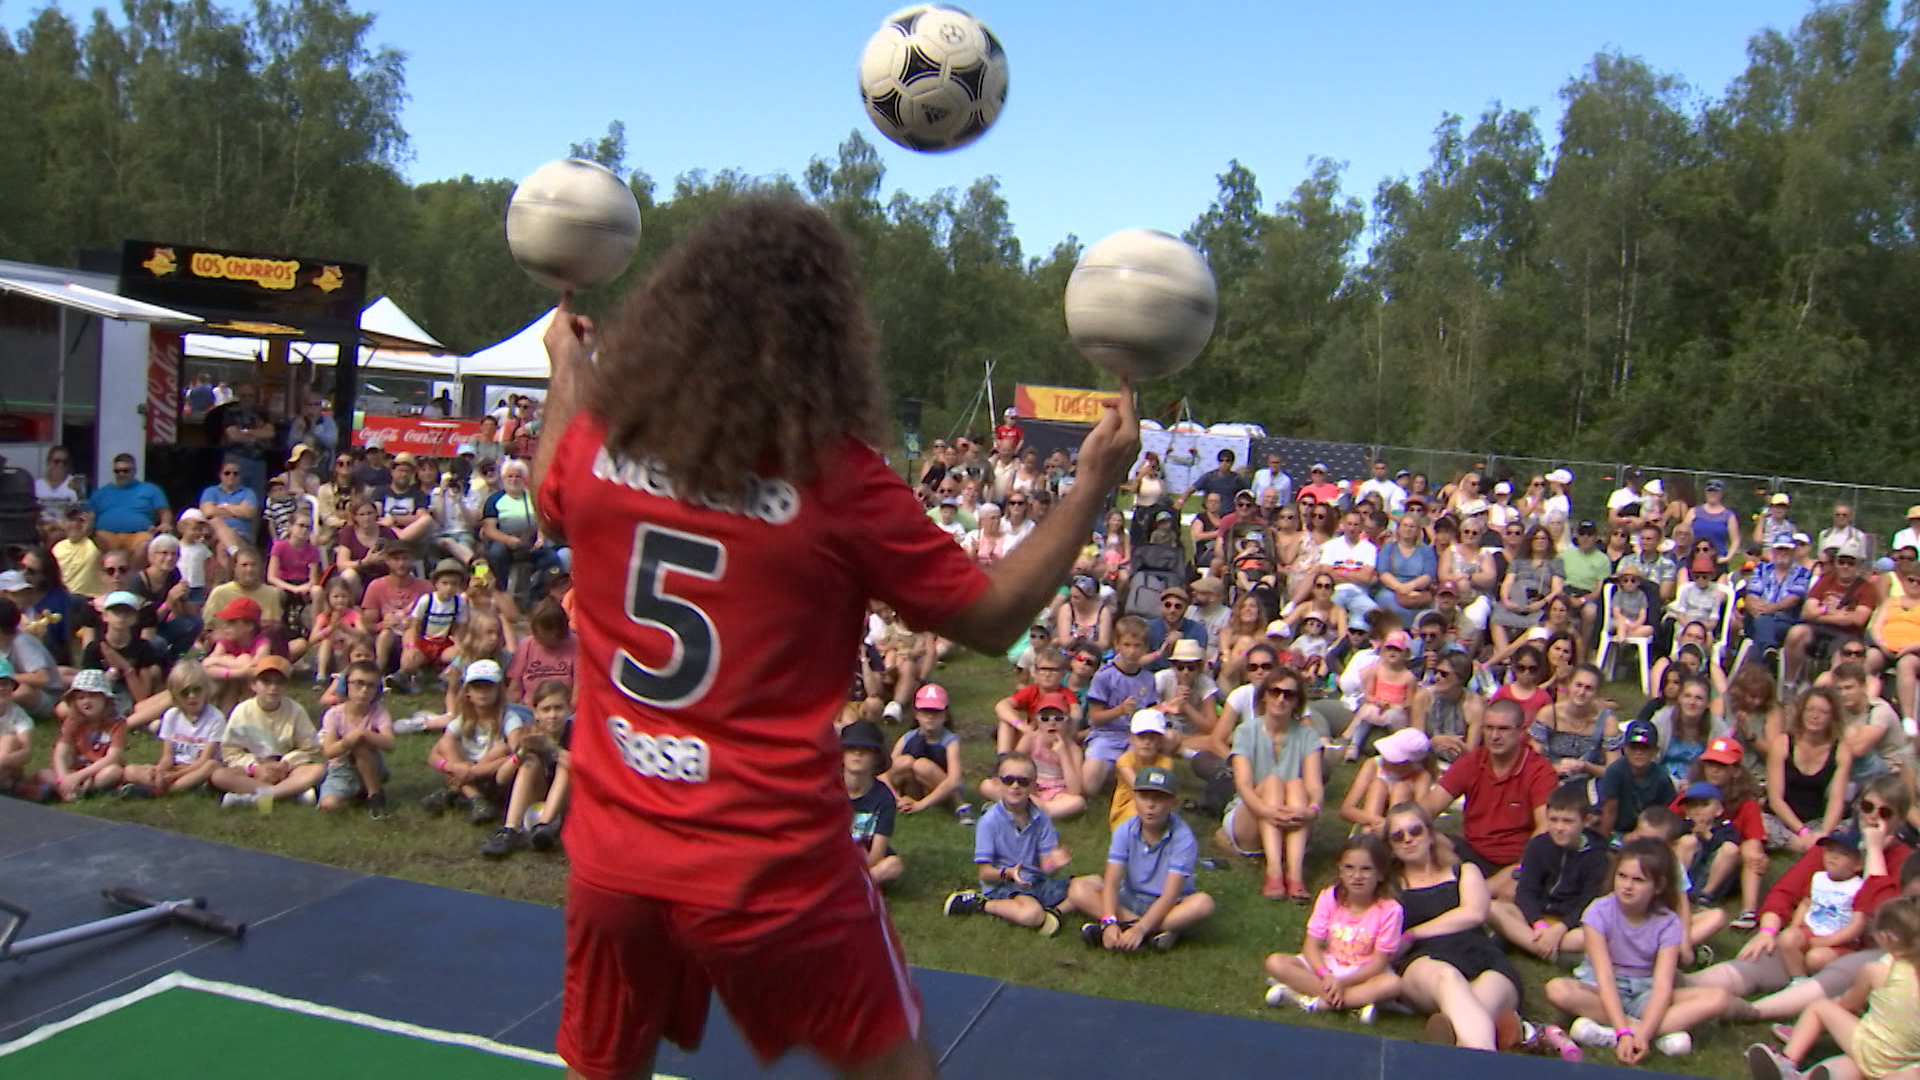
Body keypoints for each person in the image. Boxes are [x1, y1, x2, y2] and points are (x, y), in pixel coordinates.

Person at [532, 199, 1140, 1080]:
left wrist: (568, 369)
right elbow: (993, 616)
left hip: (613, 855)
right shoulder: (836, 481)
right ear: (824, 336)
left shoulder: (597, 442)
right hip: (770, 869)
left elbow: (553, 485)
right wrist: (1090, 484)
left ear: (674, 315)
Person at [1546, 838, 1731, 1062]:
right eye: (1622, 876)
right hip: (1600, 989)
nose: (1627, 886)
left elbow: (1663, 984)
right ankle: (1643, 1033)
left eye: (1638, 880)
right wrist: (1626, 1032)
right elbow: (1604, 976)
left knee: (1718, 998)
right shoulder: (1598, 912)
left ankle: (1614, 1033)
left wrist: (1642, 1035)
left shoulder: (1668, 922)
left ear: (1659, 886)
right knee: (1557, 989)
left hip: (1646, 992)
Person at [1383, 800, 1525, 1051]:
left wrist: (1414, 932)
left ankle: (1455, 1041)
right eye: (1398, 836)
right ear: (1391, 848)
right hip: (1425, 964)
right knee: (1448, 979)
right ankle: (1487, 1051)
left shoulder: (1464, 871)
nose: (1408, 839)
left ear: (1430, 834)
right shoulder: (1390, 888)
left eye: (1415, 831)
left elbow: (1474, 913)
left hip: (1482, 959)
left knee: (1474, 1011)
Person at [1752, 896, 1920, 1080]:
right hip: (1907, 1062)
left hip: (1872, 1050)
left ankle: (1786, 1061)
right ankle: (1816, 1076)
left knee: (1821, 1008)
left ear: (1886, 937)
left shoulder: (1878, 970)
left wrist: (1838, 1007)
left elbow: (1849, 1004)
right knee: (1851, 1065)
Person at [1420, 697, 1558, 901]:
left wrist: (1519, 868)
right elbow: (1428, 807)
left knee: (1512, 890)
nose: (1494, 736)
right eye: (1489, 728)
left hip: (1516, 859)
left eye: (1503, 729)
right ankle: (1470, 893)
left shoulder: (1539, 770)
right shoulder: (1472, 762)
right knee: (1425, 840)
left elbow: (1544, 828)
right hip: (1472, 853)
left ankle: (1468, 895)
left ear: (1521, 732)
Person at [1067, 765, 1214, 953]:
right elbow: (1112, 882)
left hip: (1170, 905)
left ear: (1173, 802)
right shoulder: (1124, 830)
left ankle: (1133, 930)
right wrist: (1110, 921)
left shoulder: (1183, 838)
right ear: (1134, 798)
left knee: (1203, 904)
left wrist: (1140, 928)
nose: (1150, 805)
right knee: (1078, 889)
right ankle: (1154, 932)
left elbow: (1169, 895)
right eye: (1144, 797)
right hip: (1130, 898)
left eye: (1159, 798)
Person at [1264, 833, 1404, 1022]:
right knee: (1275, 962)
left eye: (1366, 869)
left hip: (1362, 972)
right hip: (1329, 965)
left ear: (1380, 874)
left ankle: (1306, 999)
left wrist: (1343, 982)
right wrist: (1326, 975)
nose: (1356, 876)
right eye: (1349, 868)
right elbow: (1311, 946)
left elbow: (1378, 963)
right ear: (1340, 869)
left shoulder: (1390, 910)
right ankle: (1352, 1002)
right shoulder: (1330, 897)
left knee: (1393, 984)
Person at [1218, 667, 1324, 902]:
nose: (1281, 699)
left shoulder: (1307, 735)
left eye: (1289, 694)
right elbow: (1243, 784)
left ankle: (1295, 875)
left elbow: (1315, 786)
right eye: (1275, 692)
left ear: (1297, 701)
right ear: (1264, 695)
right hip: (1250, 814)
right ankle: (1274, 870)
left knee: (1296, 784)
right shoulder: (1245, 732)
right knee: (1273, 782)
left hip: (1292, 813)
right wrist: (1268, 811)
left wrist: (1312, 810)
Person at [945, 750, 1076, 936]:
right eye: (1009, 780)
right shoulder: (989, 822)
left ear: (1033, 786)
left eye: (1023, 781)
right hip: (1003, 886)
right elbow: (984, 872)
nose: (1016, 786)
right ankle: (980, 903)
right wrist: (1009, 874)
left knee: (1092, 884)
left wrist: (1053, 863)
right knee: (1032, 914)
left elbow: (1045, 866)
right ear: (998, 783)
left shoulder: (1041, 818)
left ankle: (1055, 913)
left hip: (1035, 882)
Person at [211, 657, 324, 809]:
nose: (273, 687)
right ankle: (289, 794)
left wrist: (286, 764)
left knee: (318, 770)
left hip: (285, 769)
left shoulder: (295, 711)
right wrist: (254, 767)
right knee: (219, 776)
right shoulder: (242, 711)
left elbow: (310, 747)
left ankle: (259, 797)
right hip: (253, 769)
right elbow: (230, 750)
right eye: (266, 682)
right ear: (254, 685)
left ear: (286, 686)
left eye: (279, 682)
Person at [1777, 829, 1870, 981]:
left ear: (1858, 864)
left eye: (1843, 854)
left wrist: (1828, 941)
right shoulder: (1818, 878)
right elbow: (1807, 903)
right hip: (1812, 929)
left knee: (1816, 959)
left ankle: (1820, 982)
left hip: (1841, 941)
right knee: (1786, 938)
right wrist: (1795, 925)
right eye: (1830, 851)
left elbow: (1857, 924)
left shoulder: (1858, 887)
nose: (1833, 857)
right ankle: (1798, 980)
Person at [316, 660, 395, 816]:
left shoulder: (378, 712)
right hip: (342, 769)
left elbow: (390, 744)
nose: (364, 690)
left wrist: (364, 734)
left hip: (373, 766)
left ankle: (374, 795)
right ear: (346, 685)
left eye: (370, 685)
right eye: (358, 683)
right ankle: (356, 795)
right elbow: (329, 751)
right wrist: (348, 741)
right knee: (328, 805)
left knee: (361, 746)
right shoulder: (334, 715)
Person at [33, 670, 125, 800]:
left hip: (97, 771)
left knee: (114, 771)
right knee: (42, 774)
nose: (86, 701)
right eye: (81, 698)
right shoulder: (72, 721)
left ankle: (78, 790)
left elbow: (112, 757)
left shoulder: (117, 723)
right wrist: (64, 778)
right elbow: (60, 753)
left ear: (105, 699)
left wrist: (79, 777)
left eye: (93, 696)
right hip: (72, 770)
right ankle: (66, 788)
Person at [882, 684, 968, 822]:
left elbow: (954, 781)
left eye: (936, 711)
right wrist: (896, 798)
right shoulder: (907, 738)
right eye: (925, 711)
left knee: (922, 765)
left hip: (939, 790)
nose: (930, 716)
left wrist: (920, 806)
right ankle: (902, 801)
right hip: (911, 789)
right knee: (904, 761)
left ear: (945, 715)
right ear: (916, 714)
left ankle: (959, 805)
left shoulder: (951, 741)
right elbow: (884, 774)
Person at [840, 719, 903, 888]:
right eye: (851, 748)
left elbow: (877, 853)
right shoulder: (828, 790)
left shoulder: (884, 798)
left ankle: (851, 885)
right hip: (833, 857)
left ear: (876, 757)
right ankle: (855, 885)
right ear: (841, 754)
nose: (858, 754)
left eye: (865, 750)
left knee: (893, 865)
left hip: (866, 860)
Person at [1599, 719, 1677, 838]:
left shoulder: (1662, 778)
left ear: (1655, 751)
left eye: (1645, 748)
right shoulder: (1615, 772)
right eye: (1634, 747)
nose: (1639, 752)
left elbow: (1666, 814)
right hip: (1617, 831)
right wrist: (1603, 841)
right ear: (1624, 748)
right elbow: (1610, 809)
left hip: (1651, 831)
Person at [85, 453, 171, 552]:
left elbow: (164, 512)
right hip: (106, 535)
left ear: (134, 471)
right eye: (117, 471)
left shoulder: (150, 490)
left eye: (125, 471)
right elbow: (90, 515)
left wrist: (165, 523)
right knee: (93, 544)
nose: (121, 474)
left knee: (145, 545)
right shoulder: (100, 493)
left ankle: (134, 568)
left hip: (138, 535)